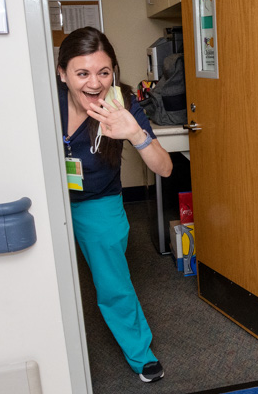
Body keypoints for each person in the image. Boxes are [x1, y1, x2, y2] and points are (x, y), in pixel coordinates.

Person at [57, 26, 172, 383]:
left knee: (112, 282)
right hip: (49, 196)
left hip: (96, 201)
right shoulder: (45, 99)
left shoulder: (121, 101)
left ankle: (140, 353)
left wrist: (134, 133)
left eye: (103, 72)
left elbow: (164, 168)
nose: (95, 83)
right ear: (62, 74)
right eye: (82, 73)